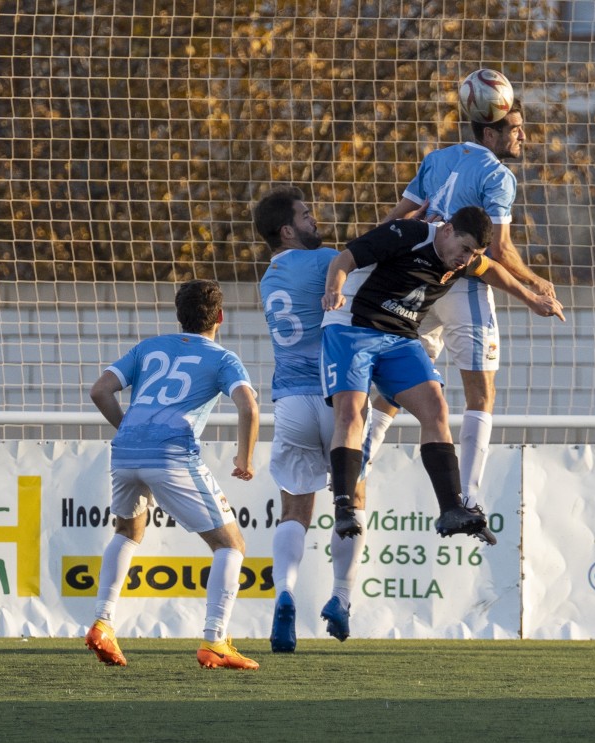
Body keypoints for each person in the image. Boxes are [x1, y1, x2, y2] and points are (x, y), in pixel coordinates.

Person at [366, 98, 562, 519]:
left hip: (417, 280)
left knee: (397, 384)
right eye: (515, 129)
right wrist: (535, 282)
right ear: (490, 133)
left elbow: (396, 218)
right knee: (481, 393)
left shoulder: (437, 158)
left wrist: (373, 259)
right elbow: (498, 249)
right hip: (462, 282)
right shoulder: (498, 175)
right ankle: (469, 499)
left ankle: (355, 464)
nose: (523, 136)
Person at [321, 206, 563, 542]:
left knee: (436, 408)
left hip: (400, 336)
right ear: (446, 230)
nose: (466, 260)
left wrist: (532, 298)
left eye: (473, 253)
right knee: (351, 412)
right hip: (352, 326)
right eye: (464, 249)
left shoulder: (462, 259)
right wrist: (334, 288)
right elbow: (344, 259)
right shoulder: (409, 234)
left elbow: (491, 268)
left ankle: (451, 509)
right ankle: (344, 507)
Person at [85, 279, 260, 670]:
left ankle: (102, 622)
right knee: (231, 545)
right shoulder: (223, 358)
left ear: (179, 317)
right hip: (172, 453)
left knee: (127, 531)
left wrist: (129, 428)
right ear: (219, 316)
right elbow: (248, 406)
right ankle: (216, 641)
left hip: (126, 450)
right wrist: (244, 459)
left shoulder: (148, 348)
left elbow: (100, 391)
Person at [254, 186, 370, 651]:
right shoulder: (323, 260)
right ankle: (341, 598)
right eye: (305, 215)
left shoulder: (269, 275)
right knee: (353, 497)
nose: (313, 220)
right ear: (287, 229)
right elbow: (366, 256)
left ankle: (284, 593)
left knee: (294, 511)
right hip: (334, 397)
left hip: (289, 403)